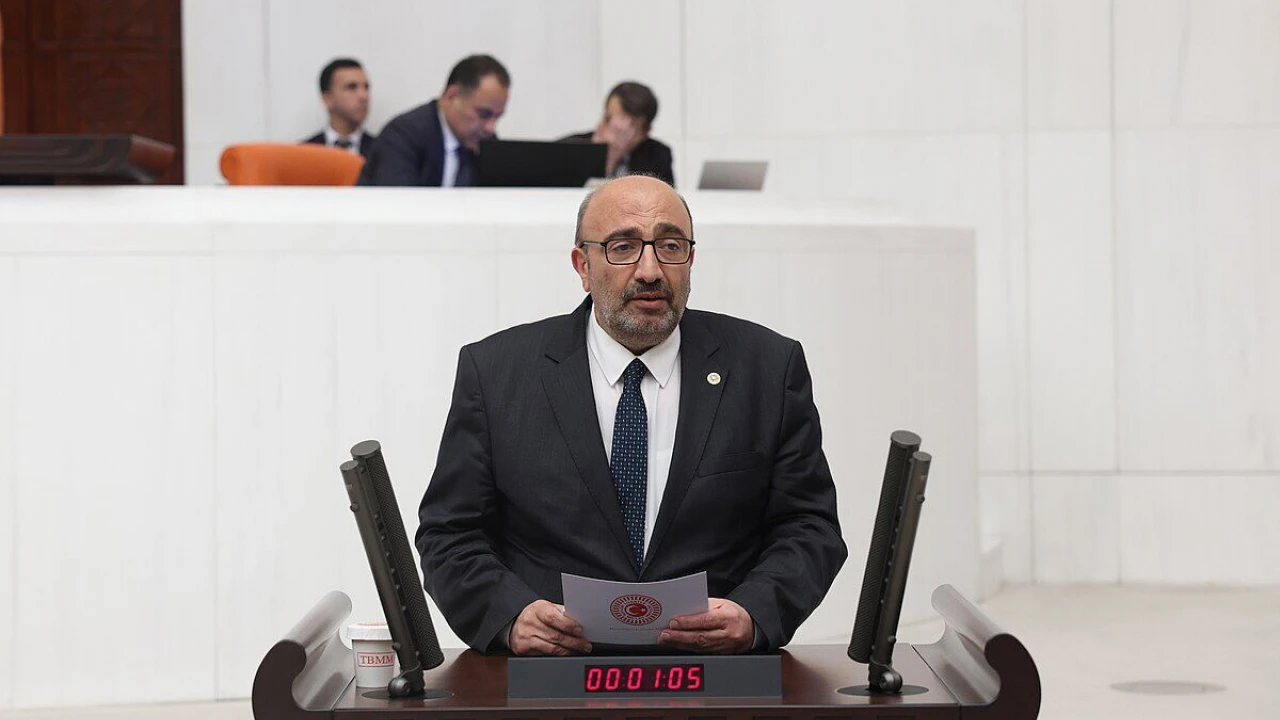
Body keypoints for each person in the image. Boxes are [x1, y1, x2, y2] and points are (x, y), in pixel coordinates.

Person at [415, 174, 847, 656]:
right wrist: (510, 617)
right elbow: (450, 534)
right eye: (623, 247)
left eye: (670, 246)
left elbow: (809, 527)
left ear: (691, 259)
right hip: (552, 672)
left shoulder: (767, 368)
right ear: (583, 265)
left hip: (715, 672)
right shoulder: (497, 372)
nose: (650, 270)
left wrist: (754, 613)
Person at [356, 54, 509, 187]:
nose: (490, 127)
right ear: (452, 96)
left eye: (497, 117)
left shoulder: (486, 145)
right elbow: (398, 205)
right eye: (484, 114)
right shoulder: (403, 136)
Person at [560, 82, 674, 186]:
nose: (619, 132)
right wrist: (601, 155)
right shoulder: (570, 148)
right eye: (609, 119)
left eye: (630, 128)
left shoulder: (658, 155)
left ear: (645, 133)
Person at [303, 58, 376, 159]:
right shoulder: (304, 153)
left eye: (366, 87)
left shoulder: (383, 152)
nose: (364, 96)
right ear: (327, 98)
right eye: (352, 87)